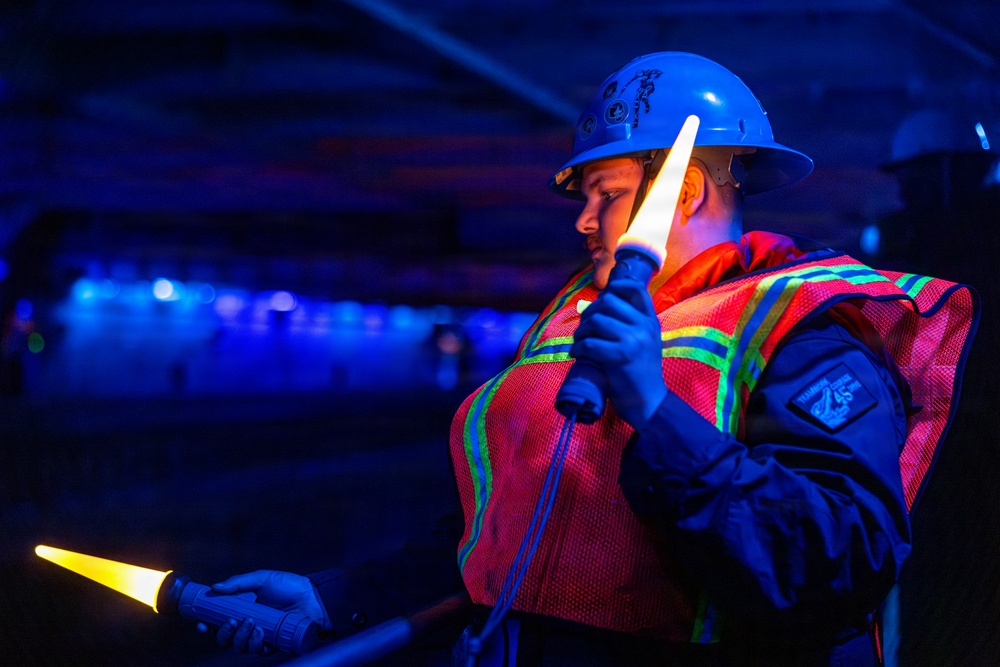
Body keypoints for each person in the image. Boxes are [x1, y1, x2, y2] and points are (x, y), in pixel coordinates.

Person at [210, 53, 977, 666]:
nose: (583, 220)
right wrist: (334, 595)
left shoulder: (807, 331)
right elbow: (505, 528)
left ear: (684, 192)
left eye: (605, 192)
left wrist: (656, 412)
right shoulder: (571, 318)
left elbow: (835, 562)